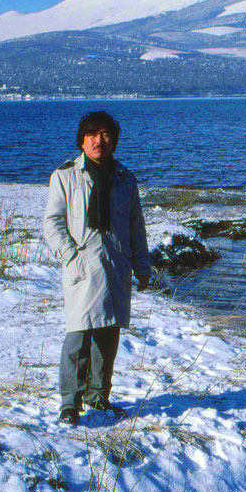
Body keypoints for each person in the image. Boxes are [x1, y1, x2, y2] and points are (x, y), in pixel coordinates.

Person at [43, 111, 151, 425]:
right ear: (82, 139)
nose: (98, 141)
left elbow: (136, 227)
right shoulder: (65, 176)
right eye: (92, 134)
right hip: (82, 268)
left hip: (116, 267)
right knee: (78, 336)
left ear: (114, 140)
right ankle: (69, 402)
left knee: (108, 335)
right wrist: (69, 255)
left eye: (105, 135)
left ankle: (98, 396)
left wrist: (142, 267)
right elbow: (52, 223)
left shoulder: (125, 179)